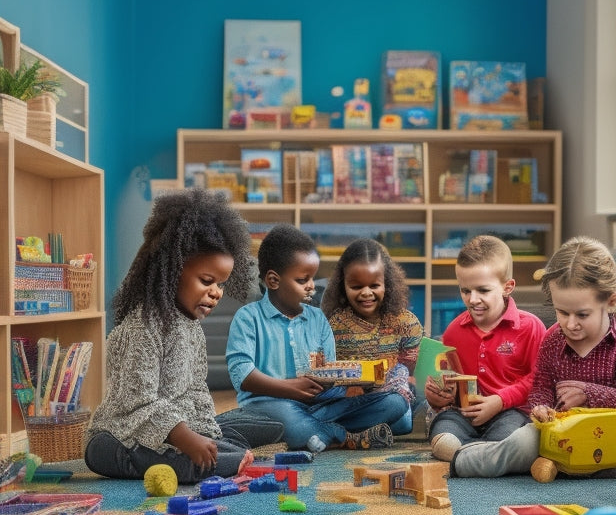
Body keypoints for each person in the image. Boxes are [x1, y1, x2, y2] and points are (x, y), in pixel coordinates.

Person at [85, 189, 283, 484]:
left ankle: (217, 458)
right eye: (207, 281)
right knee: (176, 460)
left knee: (236, 437)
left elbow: (196, 391)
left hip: (173, 433)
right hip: (121, 435)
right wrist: (187, 439)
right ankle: (206, 463)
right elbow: (138, 403)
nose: (216, 292)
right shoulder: (145, 325)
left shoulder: (191, 328)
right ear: (173, 269)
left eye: (221, 284)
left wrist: (206, 435)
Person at [450, 236, 616, 478]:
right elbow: (540, 387)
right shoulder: (553, 339)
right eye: (562, 312)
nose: (570, 324)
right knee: (524, 438)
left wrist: (590, 394)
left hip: (608, 429)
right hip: (560, 431)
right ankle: (466, 460)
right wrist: (540, 408)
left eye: (582, 315)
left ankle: (565, 466)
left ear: (611, 301)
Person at [226, 223, 402, 452]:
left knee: (395, 404)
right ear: (273, 281)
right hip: (271, 405)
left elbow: (327, 368)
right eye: (302, 280)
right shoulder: (248, 318)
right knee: (288, 421)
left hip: (320, 405)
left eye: (313, 278)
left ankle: (319, 432)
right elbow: (243, 375)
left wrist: (350, 378)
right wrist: (290, 388)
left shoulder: (318, 319)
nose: (311, 287)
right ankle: (338, 433)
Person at [424, 235, 546, 461]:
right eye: (465, 290)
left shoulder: (530, 327)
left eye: (483, 290)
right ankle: (480, 455)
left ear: (507, 287)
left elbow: (539, 379)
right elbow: (449, 381)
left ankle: (472, 455)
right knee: (443, 427)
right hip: (463, 414)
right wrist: (438, 396)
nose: (473, 299)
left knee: (512, 433)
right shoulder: (452, 332)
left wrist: (500, 400)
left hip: (511, 412)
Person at [321, 238, 423, 436]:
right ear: (343, 286)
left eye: (374, 285)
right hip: (348, 401)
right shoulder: (332, 324)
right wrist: (349, 386)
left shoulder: (407, 323)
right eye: (356, 287)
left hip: (388, 400)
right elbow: (325, 373)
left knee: (400, 411)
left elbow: (411, 375)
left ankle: (327, 428)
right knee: (397, 419)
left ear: (388, 284)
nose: (366, 293)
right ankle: (346, 429)